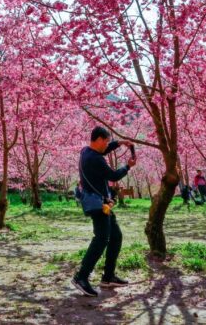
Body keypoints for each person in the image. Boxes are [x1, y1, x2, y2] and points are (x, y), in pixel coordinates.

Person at [71, 126, 136, 297]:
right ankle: (81, 277)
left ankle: (108, 277)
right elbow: (113, 176)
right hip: (98, 204)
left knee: (115, 236)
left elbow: (104, 151)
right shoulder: (96, 160)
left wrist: (119, 143)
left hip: (100, 203)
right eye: (106, 141)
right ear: (99, 139)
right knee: (101, 239)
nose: (106, 144)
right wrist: (128, 167)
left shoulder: (86, 152)